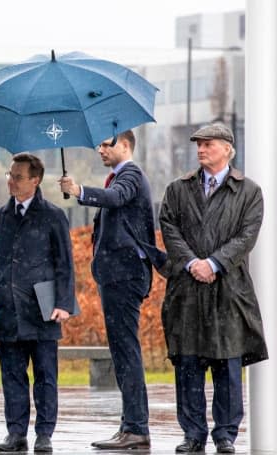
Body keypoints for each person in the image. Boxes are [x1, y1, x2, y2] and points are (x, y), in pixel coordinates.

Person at [159, 123, 267, 454]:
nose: (201, 149)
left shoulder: (248, 191)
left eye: (208, 144)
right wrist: (193, 263)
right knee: (188, 365)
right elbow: (168, 226)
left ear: (227, 149)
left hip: (228, 290)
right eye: (199, 145)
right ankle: (193, 434)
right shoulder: (179, 189)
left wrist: (214, 263)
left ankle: (225, 434)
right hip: (188, 290)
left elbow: (247, 235)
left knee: (227, 366)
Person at [58, 130, 160, 450]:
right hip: (116, 276)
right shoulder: (119, 177)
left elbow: (116, 198)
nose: (100, 149)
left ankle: (136, 428)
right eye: (99, 144)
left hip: (124, 276)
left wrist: (79, 190)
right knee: (122, 351)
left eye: (107, 144)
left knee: (126, 351)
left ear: (126, 145)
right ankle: (129, 425)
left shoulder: (130, 175)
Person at [0, 153, 75, 453]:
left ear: (35, 180)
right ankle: (16, 433)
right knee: (12, 376)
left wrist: (64, 302)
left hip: (43, 310)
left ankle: (44, 434)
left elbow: (65, 264)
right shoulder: (0, 216)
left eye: (18, 176)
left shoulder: (53, 216)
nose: (11, 180)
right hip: (9, 310)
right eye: (10, 175)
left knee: (46, 376)